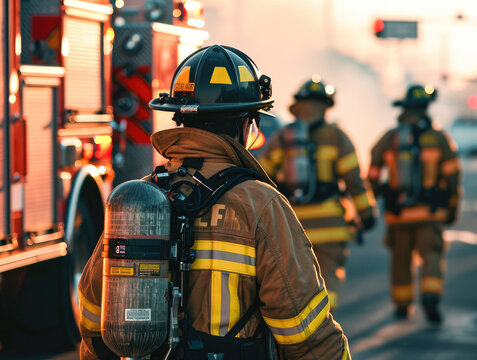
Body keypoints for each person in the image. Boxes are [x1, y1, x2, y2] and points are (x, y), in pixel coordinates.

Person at [77, 45, 351, 359]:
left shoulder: (139, 199)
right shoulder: (261, 204)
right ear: (247, 124)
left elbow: (91, 314)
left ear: (180, 119)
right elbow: (305, 333)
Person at [259, 77, 377, 310]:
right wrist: (367, 214)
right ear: (325, 106)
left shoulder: (283, 138)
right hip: (331, 226)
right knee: (329, 275)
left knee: (297, 279)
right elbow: (354, 180)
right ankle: (326, 317)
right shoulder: (337, 136)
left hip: (294, 226)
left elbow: (263, 178)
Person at [367, 84, 461, 324]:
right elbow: (452, 176)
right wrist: (452, 206)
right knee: (431, 256)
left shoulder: (391, 138)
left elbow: (374, 169)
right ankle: (430, 297)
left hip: (398, 216)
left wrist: (378, 194)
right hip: (430, 215)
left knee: (400, 260)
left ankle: (402, 305)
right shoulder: (439, 138)